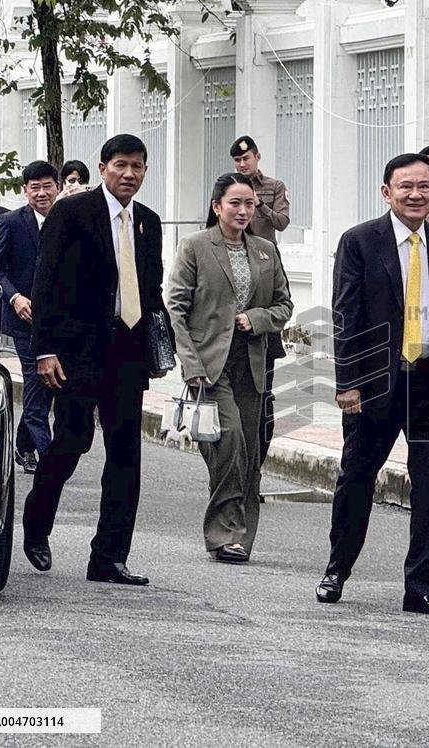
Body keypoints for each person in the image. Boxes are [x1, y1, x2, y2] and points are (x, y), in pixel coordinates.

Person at [318, 153, 429, 616]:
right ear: (387, 192)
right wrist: (347, 382)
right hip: (373, 382)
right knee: (357, 478)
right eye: (405, 187)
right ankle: (336, 568)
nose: (416, 195)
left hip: (428, 379)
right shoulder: (361, 242)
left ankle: (421, 586)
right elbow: (345, 316)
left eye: (424, 187)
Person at [24, 134, 172, 586]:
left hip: (127, 355)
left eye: (138, 167)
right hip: (75, 353)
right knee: (72, 442)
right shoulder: (73, 213)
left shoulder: (148, 222)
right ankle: (36, 525)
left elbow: (150, 289)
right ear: (104, 167)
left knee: (126, 453)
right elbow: (45, 282)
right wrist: (44, 349)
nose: (129, 174)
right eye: (121, 165)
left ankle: (108, 556)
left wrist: (157, 347)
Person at [168, 174, 294, 564]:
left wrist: (256, 318)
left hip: (252, 362)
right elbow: (175, 307)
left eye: (250, 204)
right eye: (235, 203)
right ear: (216, 206)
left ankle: (240, 537)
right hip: (209, 363)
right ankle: (225, 531)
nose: (243, 211)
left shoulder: (265, 251)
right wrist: (190, 362)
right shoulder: (194, 247)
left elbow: (284, 305)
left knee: (250, 452)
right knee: (230, 441)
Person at [0, 160, 60, 475]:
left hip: (60, 320)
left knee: (50, 385)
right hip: (24, 319)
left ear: (56, 187)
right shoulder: (10, 222)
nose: (42, 193)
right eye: (35, 187)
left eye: (47, 186)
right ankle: (48, 454)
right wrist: (15, 298)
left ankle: (24, 445)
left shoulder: (68, 220)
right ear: (24, 190)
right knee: (34, 379)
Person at [230, 136, 291, 475]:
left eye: (247, 159)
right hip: (233, 276)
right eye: (237, 160)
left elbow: (281, 222)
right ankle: (229, 470)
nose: (243, 164)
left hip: (265, 275)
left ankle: (253, 469)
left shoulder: (274, 187)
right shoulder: (226, 189)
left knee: (262, 397)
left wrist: (259, 204)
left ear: (257, 157)